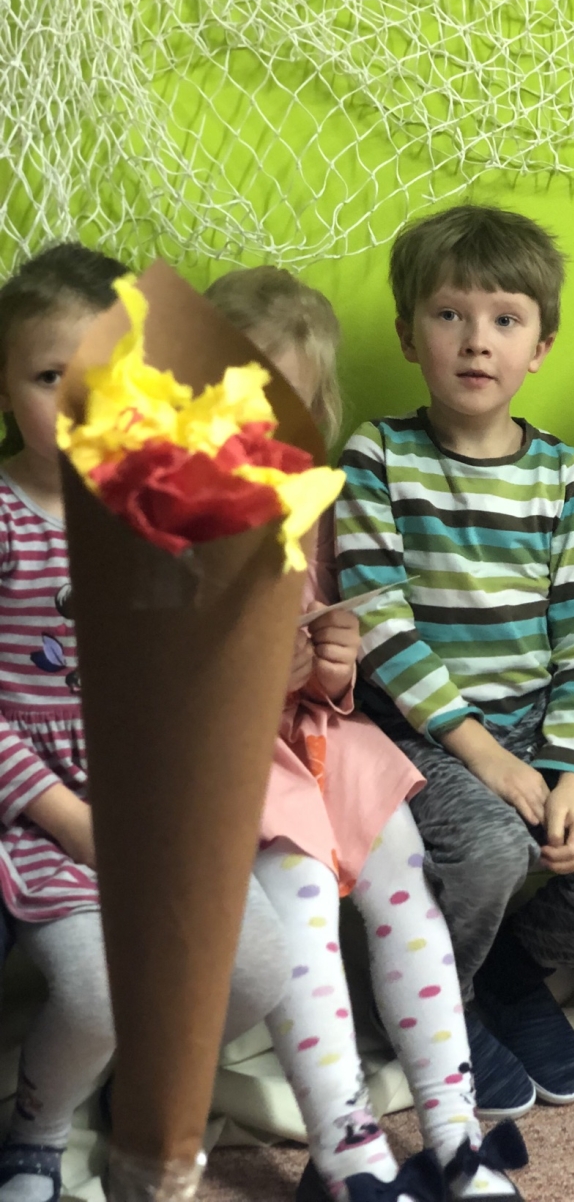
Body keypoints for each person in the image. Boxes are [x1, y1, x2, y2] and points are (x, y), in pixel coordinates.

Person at [337, 203, 574, 1114]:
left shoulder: (564, 474)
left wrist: (568, 773)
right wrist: (484, 756)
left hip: (540, 723)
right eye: (449, 315)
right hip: (430, 731)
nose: (476, 340)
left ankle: (504, 979)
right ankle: (426, 1006)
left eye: (504, 320)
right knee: (485, 855)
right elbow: (379, 622)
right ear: (408, 335)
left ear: (540, 347)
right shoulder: (377, 455)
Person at [206, 267, 527, 1202]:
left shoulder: (306, 501)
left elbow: (323, 659)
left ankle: (454, 1131)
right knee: (305, 906)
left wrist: (333, 659)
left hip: (318, 736)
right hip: (231, 754)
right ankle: (347, 1151)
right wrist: (268, 670)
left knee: (406, 889)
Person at [0, 246, 289, 1202]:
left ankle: (136, 1094)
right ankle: (38, 1130)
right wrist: (69, 819)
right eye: (51, 378)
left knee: (257, 970)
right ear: (4, 388)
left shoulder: (158, 513)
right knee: (95, 994)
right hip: (47, 815)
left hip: (160, 812)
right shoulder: (5, 517)